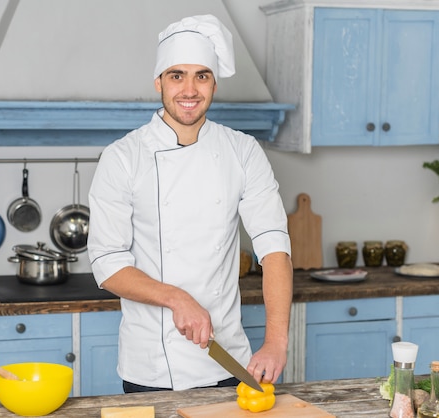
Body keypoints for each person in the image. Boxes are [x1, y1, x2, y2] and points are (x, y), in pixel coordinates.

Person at [87, 14, 293, 393]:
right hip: (151, 365)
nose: (189, 89)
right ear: (159, 82)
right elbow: (107, 262)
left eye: (201, 75)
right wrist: (176, 297)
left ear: (214, 84)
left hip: (228, 356)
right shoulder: (123, 157)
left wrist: (276, 342)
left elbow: (274, 248)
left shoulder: (242, 151)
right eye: (176, 75)